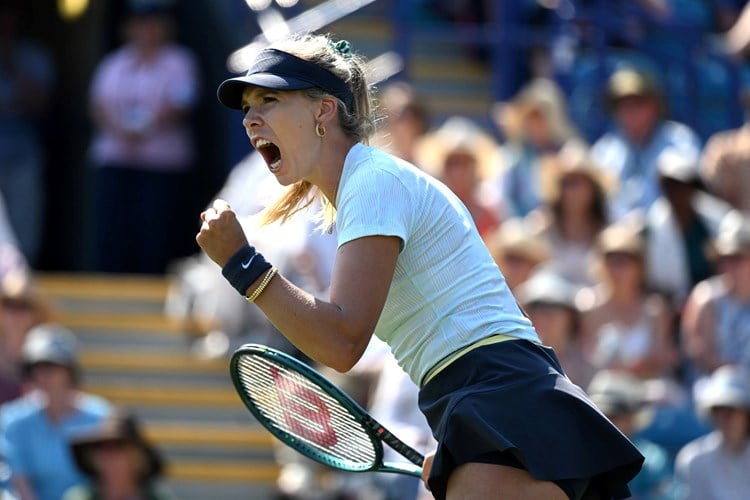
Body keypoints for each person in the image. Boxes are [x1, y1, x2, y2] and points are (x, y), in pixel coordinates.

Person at [197, 33, 643, 499]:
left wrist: (242, 265)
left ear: (323, 110)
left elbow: (343, 340)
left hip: (497, 396)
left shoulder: (371, 182)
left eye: (268, 99)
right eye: (247, 106)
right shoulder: (363, 188)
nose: (250, 118)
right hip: (484, 398)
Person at [87, 0, 199, 274]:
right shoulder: (113, 62)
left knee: (155, 232)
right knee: (112, 230)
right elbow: (97, 104)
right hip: (115, 160)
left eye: (153, 22)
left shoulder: (179, 61)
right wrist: (120, 129)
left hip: (162, 165)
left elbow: (183, 101)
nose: (146, 29)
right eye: (139, 23)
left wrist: (150, 124)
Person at [0, 323, 113, 500]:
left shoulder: (100, 417)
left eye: (51, 365)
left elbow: (108, 480)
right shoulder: (13, 420)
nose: (43, 374)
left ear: (69, 370)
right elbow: (19, 482)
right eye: (37, 367)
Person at [590, 67, 702, 221]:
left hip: (670, 232)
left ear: (656, 106)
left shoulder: (679, 140)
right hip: (618, 237)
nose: (631, 112)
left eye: (638, 103)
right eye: (624, 105)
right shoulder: (604, 150)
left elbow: (690, 195)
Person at [579, 221, 679, 381]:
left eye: (626, 259)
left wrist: (641, 367)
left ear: (640, 266)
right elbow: (584, 361)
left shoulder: (655, 309)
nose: (618, 268)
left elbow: (665, 356)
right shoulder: (587, 308)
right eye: (611, 259)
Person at [0, 0, 54, 265]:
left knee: (24, 229)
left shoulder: (34, 57)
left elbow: (39, 102)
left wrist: (10, 62)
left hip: (23, 154)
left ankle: (21, 286)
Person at [644, 149, 729, 309]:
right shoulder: (651, 228)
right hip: (672, 309)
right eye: (670, 186)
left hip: (717, 304)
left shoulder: (720, 221)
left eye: (682, 186)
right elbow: (654, 283)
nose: (677, 192)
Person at [493, 78, 584, 219]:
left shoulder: (571, 154)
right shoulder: (513, 156)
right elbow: (503, 199)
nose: (535, 125)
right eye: (531, 118)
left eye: (540, 117)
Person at [527, 143, 613, 288]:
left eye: (576, 182)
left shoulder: (609, 231)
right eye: (564, 183)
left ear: (592, 188)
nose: (569, 190)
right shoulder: (539, 229)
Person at [681, 209, 750, 380]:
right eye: (724, 258)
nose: (728, 265)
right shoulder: (707, 297)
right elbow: (701, 355)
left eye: (737, 258)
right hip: (713, 387)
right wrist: (739, 376)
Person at [587, 370, 677, 500]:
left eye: (613, 416)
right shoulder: (581, 455)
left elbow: (667, 495)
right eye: (600, 416)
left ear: (631, 419)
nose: (606, 422)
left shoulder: (652, 458)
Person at [415, 115, 501, 240]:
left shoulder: (490, 215)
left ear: (475, 169)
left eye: (464, 163)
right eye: (452, 163)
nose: (458, 171)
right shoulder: (428, 212)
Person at [674, 364, 750, 499]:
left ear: (746, 414)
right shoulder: (693, 459)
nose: (725, 418)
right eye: (719, 410)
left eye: (732, 410)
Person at [515, 266, 596, 389]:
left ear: (571, 315)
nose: (543, 314)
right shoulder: (517, 361)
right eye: (536, 306)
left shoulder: (589, 368)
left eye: (553, 306)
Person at [63, 411, 173, 500]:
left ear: (137, 456)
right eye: (101, 447)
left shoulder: (158, 497)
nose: (108, 456)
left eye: (117, 447)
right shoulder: (79, 497)